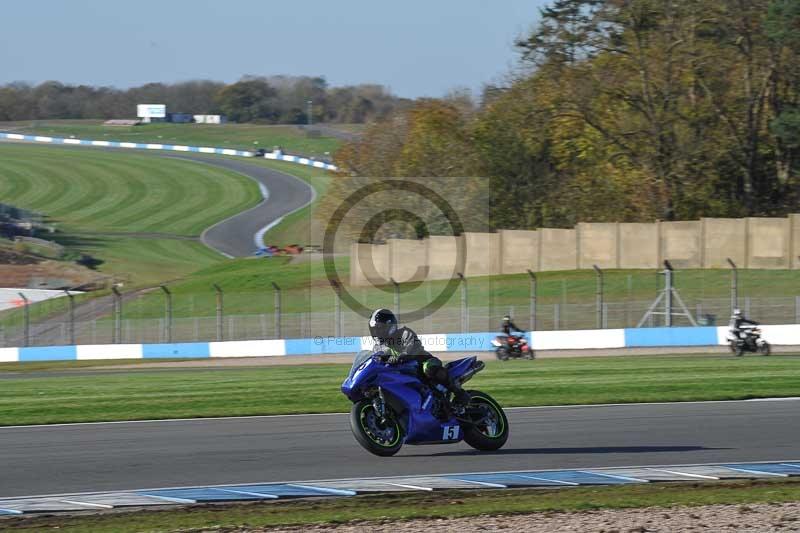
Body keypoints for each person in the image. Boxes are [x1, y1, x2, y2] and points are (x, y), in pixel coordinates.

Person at [369, 308, 470, 407]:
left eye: (380, 328)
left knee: (429, 368)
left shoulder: (404, 333)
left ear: (390, 326)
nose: (377, 332)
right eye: (375, 329)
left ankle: (459, 393)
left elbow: (412, 347)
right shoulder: (377, 348)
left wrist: (402, 356)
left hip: (422, 362)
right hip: (401, 372)